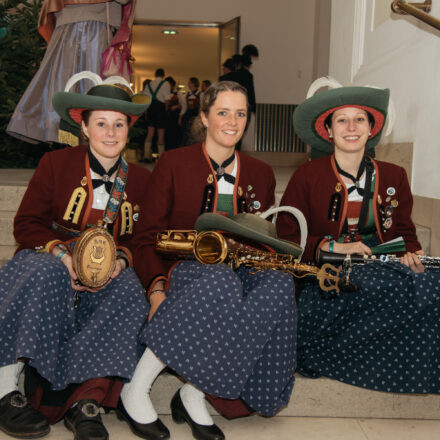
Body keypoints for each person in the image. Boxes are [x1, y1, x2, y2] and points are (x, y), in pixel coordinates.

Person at [118, 81, 299, 440]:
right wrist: (156, 289)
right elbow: (145, 238)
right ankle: (135, 389)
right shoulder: (172, 163)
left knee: (280, 283)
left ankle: (194, 390)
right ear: (203, 117)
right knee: (219, 280)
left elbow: (263, 241)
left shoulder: (261, 174)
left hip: (240, 270)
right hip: (183, 268)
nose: (232, 121)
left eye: (240, 113)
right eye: (222, 112)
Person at [0, 72, 151, 440]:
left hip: (107, 268)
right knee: (43, 273)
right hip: (51, 257)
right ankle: (4, 387)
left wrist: (120, 262)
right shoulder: (56, 164)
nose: (111, 132)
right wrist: (62, 257)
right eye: (101, 123)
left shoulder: (144, 180)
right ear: (83, 127)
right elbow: (27, 224)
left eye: (119, 124)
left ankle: (86, 399)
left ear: (129, 130)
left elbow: (145, 239)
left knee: (131, 290)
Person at [277, 79, 440, 395]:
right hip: (326, 275)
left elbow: (405, 231)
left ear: (371, 128)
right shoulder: (306, 176)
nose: (351, 127)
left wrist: (411, 251)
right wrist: (332, 245)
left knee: (431, 281)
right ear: (328, 130)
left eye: (359, 119)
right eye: (342, 120)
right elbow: (287, 237)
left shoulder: (394, 175)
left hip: (381, 268)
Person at [7, 0, 132, 144]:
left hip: (68, 27)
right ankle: (82, 145)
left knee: (64, 86)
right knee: (91, 91)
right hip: (93, 26)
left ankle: (72, 142)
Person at [142, 68, 172, 161]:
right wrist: (166, 111)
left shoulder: (149, 84)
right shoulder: (166, 83)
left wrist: (146, 112)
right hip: (160, 109)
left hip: (150, 108)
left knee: (150, 134)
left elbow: (145, 100)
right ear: (164, 75)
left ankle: (146, 155)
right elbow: (167, 100)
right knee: (161, 135)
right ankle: (161, 158)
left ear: (155, 75)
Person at [164, 76, 186, 150]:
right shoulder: (163, 94)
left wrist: (177, 108)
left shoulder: (178, 94)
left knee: (174, 135)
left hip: (174, 117)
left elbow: (183, 105)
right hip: (166, 117)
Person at [180, 77, 201, 146]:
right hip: (188, 115)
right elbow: (184, 107)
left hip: (196, 116)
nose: (188, 84)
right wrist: (180, 117)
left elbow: (202, 107)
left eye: (189, 83)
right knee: (186, 134)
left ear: (194, 84)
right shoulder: (186, 95)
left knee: (195, 134)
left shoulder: (200, 94)